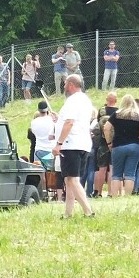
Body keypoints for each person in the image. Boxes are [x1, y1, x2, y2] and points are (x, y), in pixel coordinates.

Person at [53, 74, 95, 217]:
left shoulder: (72, 101)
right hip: (82, 143)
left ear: (71, 84)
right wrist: (59, 119)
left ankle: (88, 212)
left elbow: (70, 122)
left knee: (72, 179)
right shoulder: (85, 100)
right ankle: (67, 214)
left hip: (71, 144)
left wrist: (59, 143)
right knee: (69, 179)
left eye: (65, 84)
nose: (64, 87)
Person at [106, 94, 139, 197]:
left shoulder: (116, 114)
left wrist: (109, 142)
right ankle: (127, 196)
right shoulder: (138, 116)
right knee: (130, 174)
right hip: (134, 145)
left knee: (116, 174)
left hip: (118, 145)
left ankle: (114, 197)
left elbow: (106, 127)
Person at [30, 103, 56, 167]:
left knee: (39, 172)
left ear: (38, 110)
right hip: (50, 150)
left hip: (38, 150)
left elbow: (34, 132)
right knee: (51, 172)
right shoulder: (52, 120)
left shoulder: (34, 122)